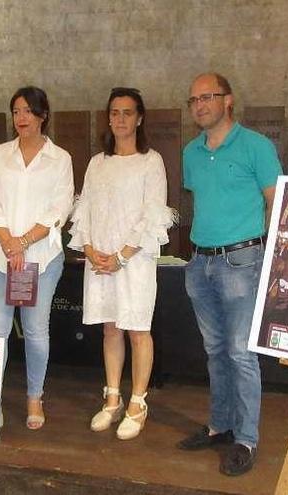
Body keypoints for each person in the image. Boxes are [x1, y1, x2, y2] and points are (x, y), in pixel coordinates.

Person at [177, 73, 282, 476]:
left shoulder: (256, 146)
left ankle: (247, 438)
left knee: (241, 353)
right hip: (200, 263)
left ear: (228, 100)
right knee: (215, 350)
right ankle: (221, 425)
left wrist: (268, 256)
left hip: (242, 262)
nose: (199, 105)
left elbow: (276, 203)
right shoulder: (191, 152)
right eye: (193, 100)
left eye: (207, 97)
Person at [67, 87, 174, 440]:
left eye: (128, 113)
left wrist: (121, 256)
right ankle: (112, 397)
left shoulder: (151, 161)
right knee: (111, 328)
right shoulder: (98, 162)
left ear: (139, 118)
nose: (121, 119)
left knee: (137, 329)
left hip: (134, 261)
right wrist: (89, 247)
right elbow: (84, 209)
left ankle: (138, 402)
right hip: (100, 260)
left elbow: (154, 214)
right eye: (115, 113)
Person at [0, 86, 74, 430]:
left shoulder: (60, 158)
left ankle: (34, 396)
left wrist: (23, 243)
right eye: (16, 111)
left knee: (35, 332)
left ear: (43, 115)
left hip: (41, 259)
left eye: (29, 111)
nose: (22, 118)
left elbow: (59, 208)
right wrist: (9, 244)